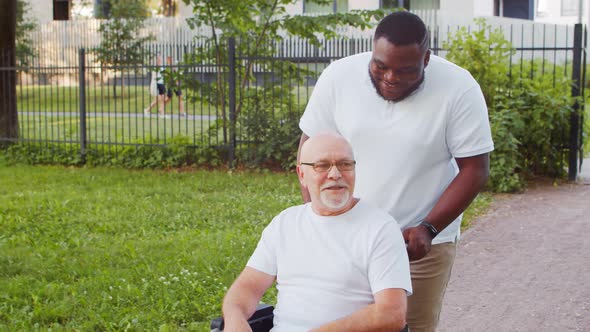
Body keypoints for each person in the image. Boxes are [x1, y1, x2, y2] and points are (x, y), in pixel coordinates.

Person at [297, 11, 494, 332]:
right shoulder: (339, 77)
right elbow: (310, 150)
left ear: (426, 60)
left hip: (416, 245)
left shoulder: (459, 88)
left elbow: (475, 168)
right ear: (372, 52)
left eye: (405, 70)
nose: (390, 77)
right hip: (345, 238)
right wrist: (318, 215)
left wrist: (429, 228)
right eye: (380, 66)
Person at [222, 132, 412, 332]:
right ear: (302, 175)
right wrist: (235, 318)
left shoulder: (380, 228)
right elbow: (248, 288)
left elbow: (391, 313)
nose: (335, 174)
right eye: (322, 165)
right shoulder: (285, 223)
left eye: (345, 164)